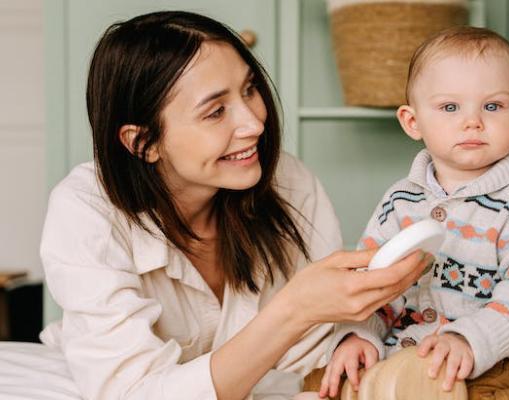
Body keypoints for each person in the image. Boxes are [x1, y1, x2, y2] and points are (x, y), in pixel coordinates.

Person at [38, 11, 430, 400]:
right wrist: (295, 309)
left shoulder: (288, 183)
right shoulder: (85, 213)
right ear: (143, 143)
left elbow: (317, 359)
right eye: (215, 111)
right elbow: (134, 393)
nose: (254, 124)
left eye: (249, 89)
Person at [319, 26, 509, 399]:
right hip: (410, 351)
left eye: (492, 106)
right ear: (413, 122)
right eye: (449, 107)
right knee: (328, 383)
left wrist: (469, 340)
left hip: (504, 358)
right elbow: (373, 280)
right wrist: (357, 336)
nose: (472, 121)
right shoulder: (400, 200)